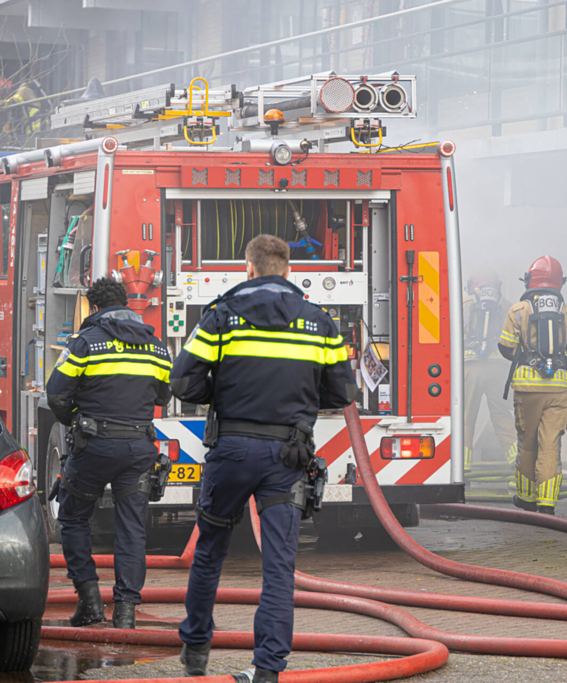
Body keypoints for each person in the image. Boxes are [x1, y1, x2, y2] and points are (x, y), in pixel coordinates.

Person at [171, 234, 356, 683]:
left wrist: (224, 393)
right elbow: (342, 393)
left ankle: (195, 650)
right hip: (287, 455)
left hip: (231, 450)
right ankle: (268, 669)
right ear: (289, 270)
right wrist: (298, 398)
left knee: (210, 550)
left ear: (249, 269)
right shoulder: (320, 322)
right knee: (279, 567)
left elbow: (182, 382)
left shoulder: (220, 316)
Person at [45, 277, 172, 629]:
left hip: (94, 447)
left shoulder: (85, 343)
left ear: (95, 307)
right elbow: (164, 396)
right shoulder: (156, 347)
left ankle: (89, 602)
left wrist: (76, 421)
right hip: (138, 447)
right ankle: (126, 611)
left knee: (73, 517)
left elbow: (56, 393)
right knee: (131, 528)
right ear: (126, 304)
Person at [498, 256, 567, 515]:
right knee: (551, 445)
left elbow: (506, 348)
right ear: (560, 282)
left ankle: (526, 497)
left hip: (526, 391)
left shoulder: (517, 311)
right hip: (559, 392)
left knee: (527, 443)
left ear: (530, 281)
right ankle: (547, 503)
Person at [463, 268, 517, 469]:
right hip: (499, 370)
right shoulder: (509, 307)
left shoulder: (463, 305)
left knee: (466, 418)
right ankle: (518, 462)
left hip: (471, 368)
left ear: (472, 286)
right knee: (502, 416)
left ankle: (463, 465)